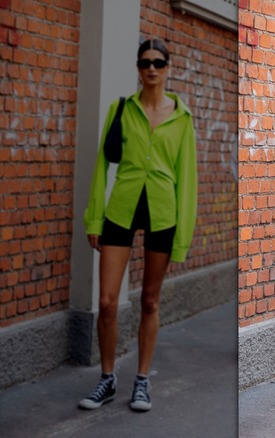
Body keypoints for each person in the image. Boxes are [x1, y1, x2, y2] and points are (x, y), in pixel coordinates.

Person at [79, 39, 197, 412]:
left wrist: (182, 238)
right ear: (137, 67)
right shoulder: (120, 110)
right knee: (107, 302)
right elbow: (102, 167)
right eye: (145, 62)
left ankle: (142, 380)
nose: (151, 68)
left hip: (163, 211)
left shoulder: (181, 117)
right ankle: (107, 378)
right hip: (121, 208)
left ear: (168, 68)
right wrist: (94, 217)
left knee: (149, 300)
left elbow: (187, 180)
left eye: (158, 63)